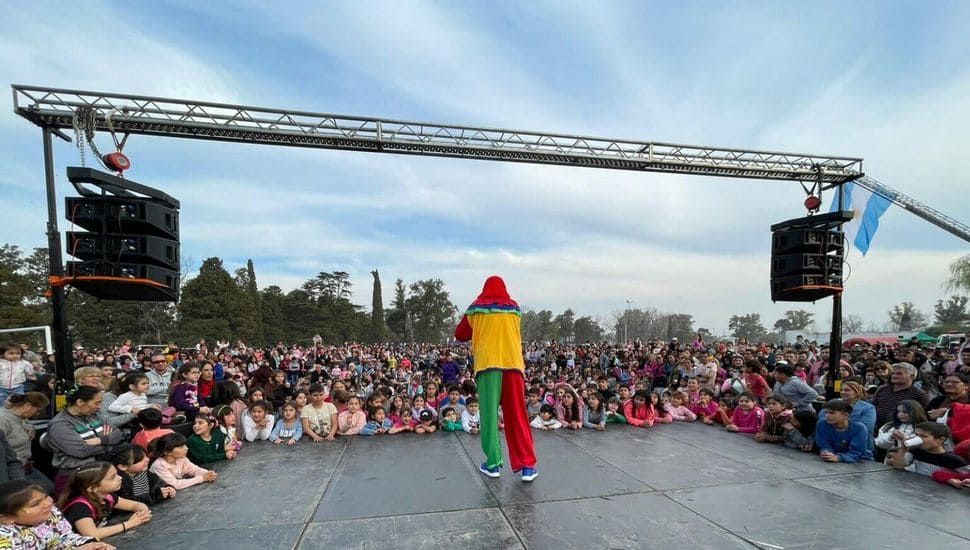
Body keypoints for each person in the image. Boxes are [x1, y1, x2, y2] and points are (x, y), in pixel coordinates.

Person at [455, 276, 538, 481]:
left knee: (490, 416)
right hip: (513, 366)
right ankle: (527, 465)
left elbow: (460, 334)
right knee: (518, 415)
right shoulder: (515, 308)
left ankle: (493, 464)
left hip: (488, 366)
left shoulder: (476, 308)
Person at [47, 386, 125, 498]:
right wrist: (109, 444)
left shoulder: (94, 415)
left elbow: (117, 433)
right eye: (96, 403)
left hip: (102, 469)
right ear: (80, 402)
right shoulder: (60, 424)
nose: (99, 407)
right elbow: (81, 450)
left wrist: (100, 440)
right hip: (77, 476)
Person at [0, 479, 112, 550]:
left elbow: (64, 537)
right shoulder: (5, 538)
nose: (49, 503)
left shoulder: (50, 512)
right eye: (35, 504)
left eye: (46, 496)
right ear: (7, 518)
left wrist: (90, 545)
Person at [57, 461, 152, 540]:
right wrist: (129, 524)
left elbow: (134, 505)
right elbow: (92, 534)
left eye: (117, 474)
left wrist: (142, 513)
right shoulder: (79, 507)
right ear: (92, 488)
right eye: (112, 477)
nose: (120, 478)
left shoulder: (107, 497)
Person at [0, 392, 52, 490]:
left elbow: (24, 426)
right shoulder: (3, 420)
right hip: (11, 470)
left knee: (49, 488)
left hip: (26, 467)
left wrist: (31, 428)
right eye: (37, 410)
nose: (37, 414)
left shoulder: (22, 417)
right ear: (28, 406)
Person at [889, 422, 968, 476]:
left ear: (940, 439)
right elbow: (898, 466)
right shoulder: (916, 451)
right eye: (917, 435)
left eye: (923, 436)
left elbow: (966, 477)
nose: (918, 438)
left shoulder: (953, 460)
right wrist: (903, 447)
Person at [871, 362, 931, 432]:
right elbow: (873, 406)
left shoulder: (919, 394)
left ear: (912, 376)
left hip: (902, 432)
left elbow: (923, 417)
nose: (894, 376)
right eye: (893, 373)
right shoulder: (883, 389)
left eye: (899, 374)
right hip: (877, 429)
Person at [110, 444, 174, 505]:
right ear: (123, 466)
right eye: (140, 460)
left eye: (146, 456)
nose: (147, 460)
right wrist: (155, 495)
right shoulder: (120, 481)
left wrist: (167, 488)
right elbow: (128, 501)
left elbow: (158, 483)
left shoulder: (144, 472)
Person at [149, 433, 217, 490]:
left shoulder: (181, 458)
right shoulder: (159, 465)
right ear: (167, 452)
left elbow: (194, 469)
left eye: (185, 445)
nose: (186, 448)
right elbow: (175, 485)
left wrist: (207, 473)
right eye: (181, 447)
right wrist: (202, 478)